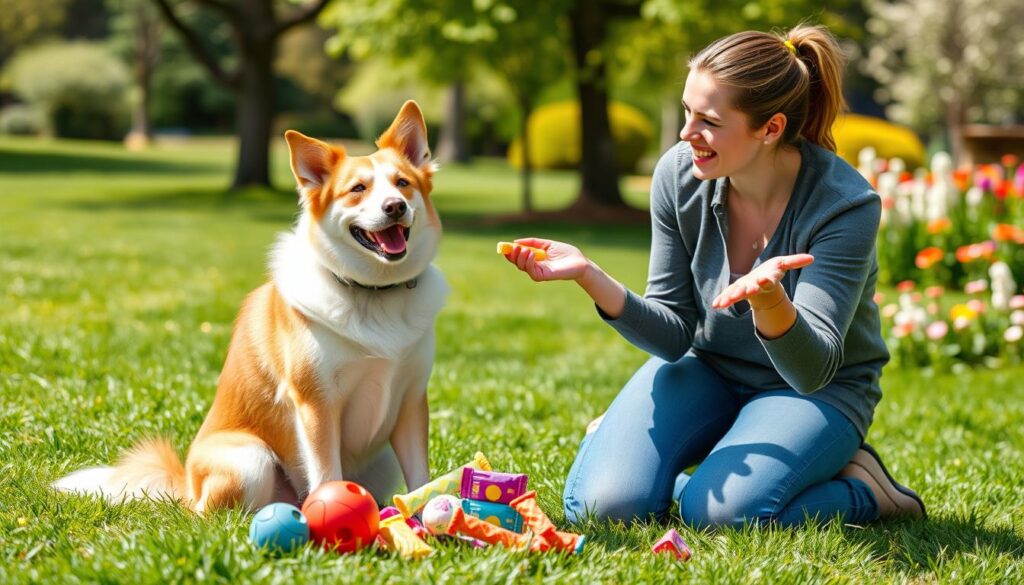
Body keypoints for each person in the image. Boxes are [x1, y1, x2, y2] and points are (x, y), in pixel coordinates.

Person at [502, 24, 926, 528]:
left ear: (769, 129)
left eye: (708, 120)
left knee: (718, 514)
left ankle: (865, 490)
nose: (686, 134)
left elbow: (814, 368)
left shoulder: (844, 206)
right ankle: (646, 463)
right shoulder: (681, 175)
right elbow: (673, 331)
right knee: (608, 506)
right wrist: (589, 274)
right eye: (687, 111)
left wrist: (770, 302)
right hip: (709, 367)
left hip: (815, 392)